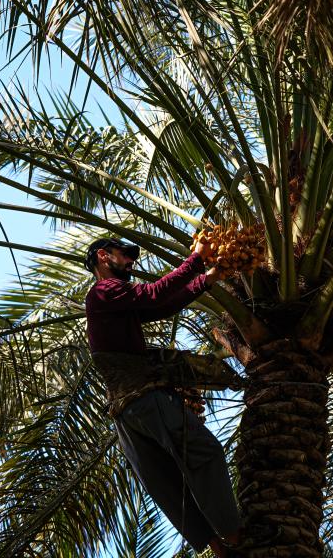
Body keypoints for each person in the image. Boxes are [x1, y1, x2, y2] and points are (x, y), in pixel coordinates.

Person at [85, 236, 243, 557]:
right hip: (144, 398)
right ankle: (236, 537)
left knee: (167, 486)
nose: (131, 262)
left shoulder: (114, 303)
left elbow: (162, 306)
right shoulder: (104, 291)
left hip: (125, 413)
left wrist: (207, 280)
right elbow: (155, 292)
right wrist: (196, 259)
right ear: (103, 256)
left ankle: (219, 549)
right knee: (204, 451)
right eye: (124, 255)